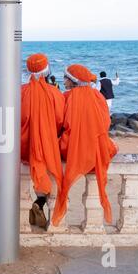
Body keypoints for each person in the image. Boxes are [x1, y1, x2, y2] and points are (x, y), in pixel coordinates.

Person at [52, 64, 118, 227]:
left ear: (72, 80)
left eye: (66, 77)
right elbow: (105, 122)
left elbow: (59, 122)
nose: (64, 79)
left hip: (72, 148)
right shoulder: (97, 95)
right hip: (96, 147)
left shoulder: (66, 96)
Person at [21, 54, 65, 228]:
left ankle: (38, 202)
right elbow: (61, 120)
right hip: (48, 143)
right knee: (49, 174)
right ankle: (40, 202)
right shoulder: (55, 93)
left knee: (35, 172)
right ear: (47, 70)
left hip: (24, 145)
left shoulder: (21, 91)